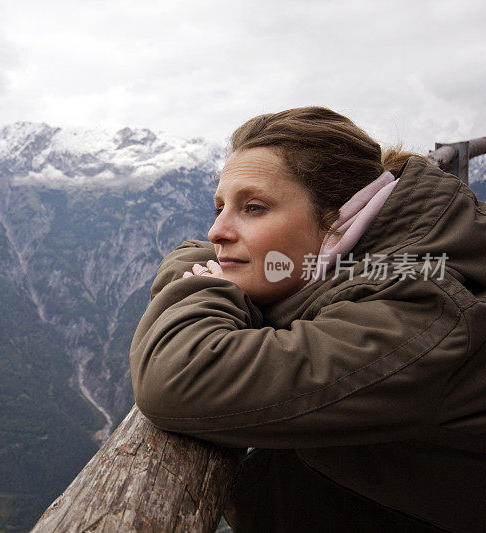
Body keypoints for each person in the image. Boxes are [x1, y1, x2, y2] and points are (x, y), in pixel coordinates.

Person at [129, 107, 486, 532]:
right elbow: (199, 253)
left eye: (254, 207)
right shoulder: (363, 259)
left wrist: (207, 286)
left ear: (337, 215)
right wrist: (212, 271)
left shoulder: (421, 310)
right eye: (220, 206)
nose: (216, 232)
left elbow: (177, 377)